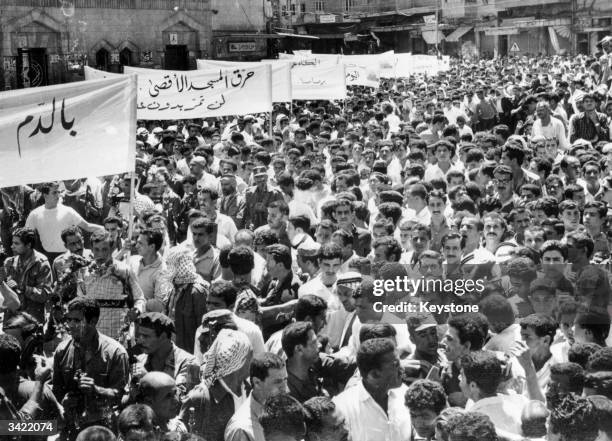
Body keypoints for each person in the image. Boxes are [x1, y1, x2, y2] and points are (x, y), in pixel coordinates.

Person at [53, 297, 129, 436]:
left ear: (93, 321)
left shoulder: (115, 353)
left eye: (77, 320)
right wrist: (64, 400)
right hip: (71, 429)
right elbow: (56, 390)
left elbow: (122, 397)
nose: (70, 325)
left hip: (103, 430)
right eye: (68, 320)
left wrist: (97, 390)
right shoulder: (62, 350)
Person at [180, 329, 253, 441]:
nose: (253, 360)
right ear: (239, 363)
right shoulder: (199, 398)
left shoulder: (251, 390)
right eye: (250, 355)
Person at [333, 338, 411, 441]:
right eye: (395, 364)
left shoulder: (406, 394)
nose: (402, 368)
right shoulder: (342, 408)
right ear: (374, 375)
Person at [77, 230, 145, 339]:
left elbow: (140, 298)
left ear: (111, 249)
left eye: (105, 249)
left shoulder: (125, 270)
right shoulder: (85, 273)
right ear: (92, 249)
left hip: (118, 331)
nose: (101, 254)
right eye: (97, 250)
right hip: (93, 333)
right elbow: (80, 302)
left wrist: (136, 310)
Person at [25, 182, 104, 261]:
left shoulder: (68, 211)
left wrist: (105, 229)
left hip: (69, 257)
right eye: (54, 192)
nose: (58, 195)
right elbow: (26, 235)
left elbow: (87, 226)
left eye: (58, 192)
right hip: (47, 257)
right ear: (45, 195)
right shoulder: (35, 214)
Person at [224, 352, 289, 441]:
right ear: (257, 383)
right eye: (277, 382)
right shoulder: (242, 429)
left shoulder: (284, 412)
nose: (284, 388)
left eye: (285, 380)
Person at [135, 312, 196, 393]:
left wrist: (148, 378)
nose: (140, 341)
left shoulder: (187, 362)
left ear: (163, 337)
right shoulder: (140, 360)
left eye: (146, 336)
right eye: (140, 335)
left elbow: (182, 399)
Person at [1, 227, 51, 323]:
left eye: (16, 243)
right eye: (12, 243)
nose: (12, 246)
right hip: (12, 316)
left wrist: (22, 287)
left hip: (32, 318)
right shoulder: (9, 263)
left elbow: (44, 295)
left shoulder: (41, 263)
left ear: (28, 245)